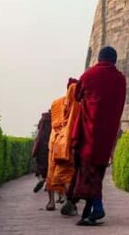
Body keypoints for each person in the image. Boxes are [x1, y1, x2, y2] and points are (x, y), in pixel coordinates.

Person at [71, 46, 127, 226]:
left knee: (88, 173)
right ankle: (90, 211)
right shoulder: (121, 79)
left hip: (89, 133)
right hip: (108, 135)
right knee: (97, 173)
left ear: (98, 58)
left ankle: (97, 207)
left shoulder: (89, 75)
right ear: (114, 61)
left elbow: (77, 96)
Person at [45, 78, 81, 214]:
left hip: (57, 141)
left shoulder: (58, 103)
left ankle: (54, 202)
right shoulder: (77, 105)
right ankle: (67, 202)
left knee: (56, 172)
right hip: (65, 142)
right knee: (65, 173)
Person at [31, 111, 51, 193]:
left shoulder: (42, 120)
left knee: (39, 167)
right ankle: (48, 185)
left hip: (41, 146)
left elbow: (38, 132)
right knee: (50, 167)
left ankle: (41, 179)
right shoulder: (54, 121)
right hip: (51, 146)